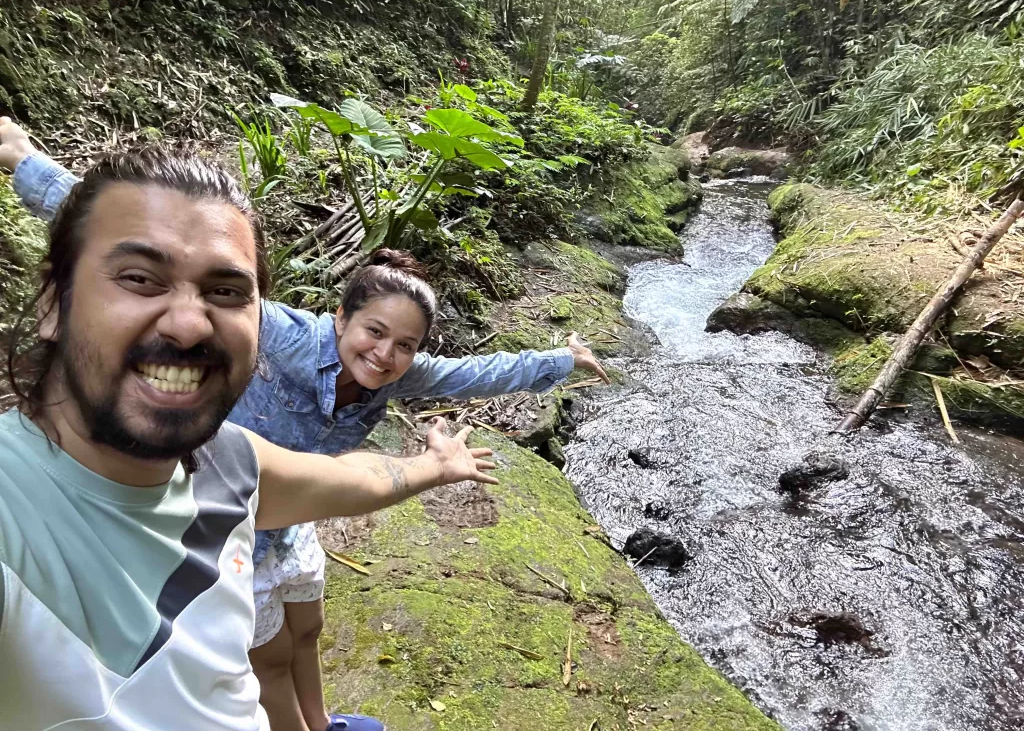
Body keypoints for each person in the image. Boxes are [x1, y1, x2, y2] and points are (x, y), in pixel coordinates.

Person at [0, 118, 609, 731]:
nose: (384, 354)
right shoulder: (280, 335)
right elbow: (121, 234)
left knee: (307, 630)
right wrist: (27, 163)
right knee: (269, 659)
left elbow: (475, 376)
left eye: (405, 344)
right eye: (374, 332)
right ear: (341, 318)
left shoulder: (354, 397)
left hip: (279, 507)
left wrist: (561, 362)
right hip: (246, 531)